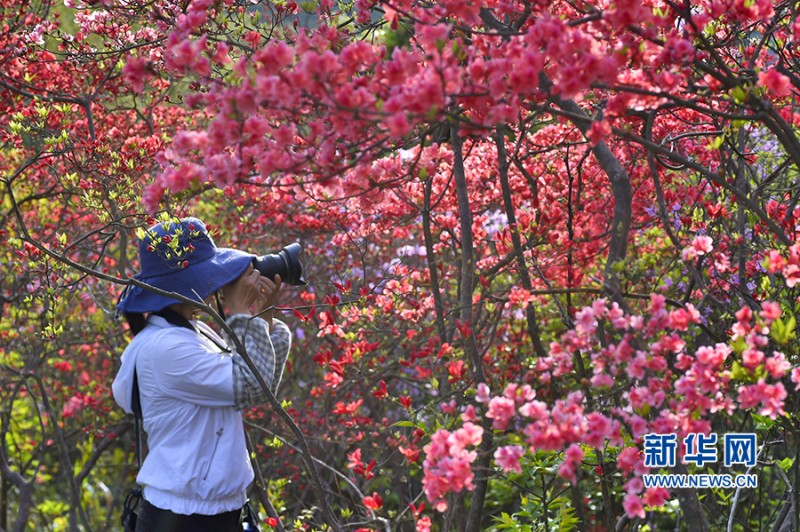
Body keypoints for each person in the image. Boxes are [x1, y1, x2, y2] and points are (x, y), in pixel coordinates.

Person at [112, 216, 290, 532]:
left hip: (219, 510)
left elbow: (261, 380)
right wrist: (237, 311)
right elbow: (249, 387)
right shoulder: (165, 346)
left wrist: (261, 314)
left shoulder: (197, 330)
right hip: (182, 518)